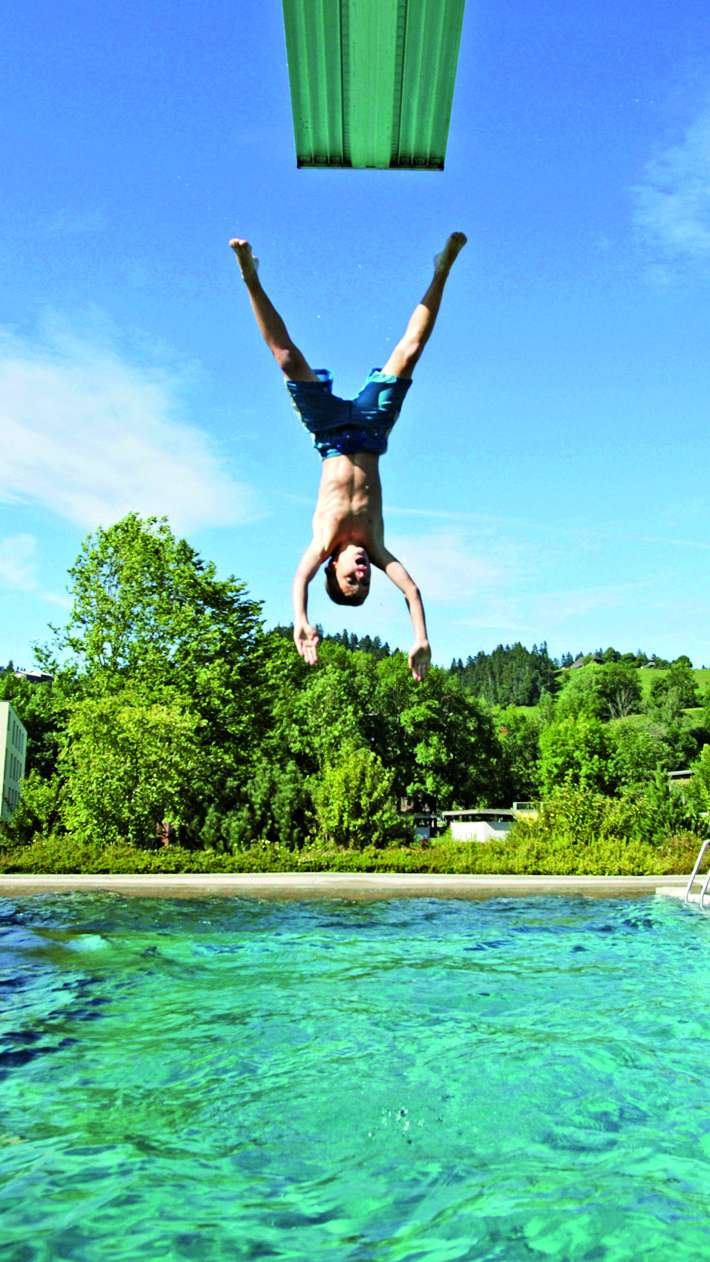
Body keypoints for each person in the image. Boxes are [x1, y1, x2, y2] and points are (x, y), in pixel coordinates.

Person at [229, 232, 467, 681]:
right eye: (365, 580)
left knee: (285, 358)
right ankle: (442, 270)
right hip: (372, 432)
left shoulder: (322, 545)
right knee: (410, 351)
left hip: (330, 434)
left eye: (349, 579)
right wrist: (420, 637)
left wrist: (300, 620)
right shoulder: (376, 547)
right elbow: (412, 591)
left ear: (332, 570)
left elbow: (298, 580)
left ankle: (250, 279)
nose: (361, 572)